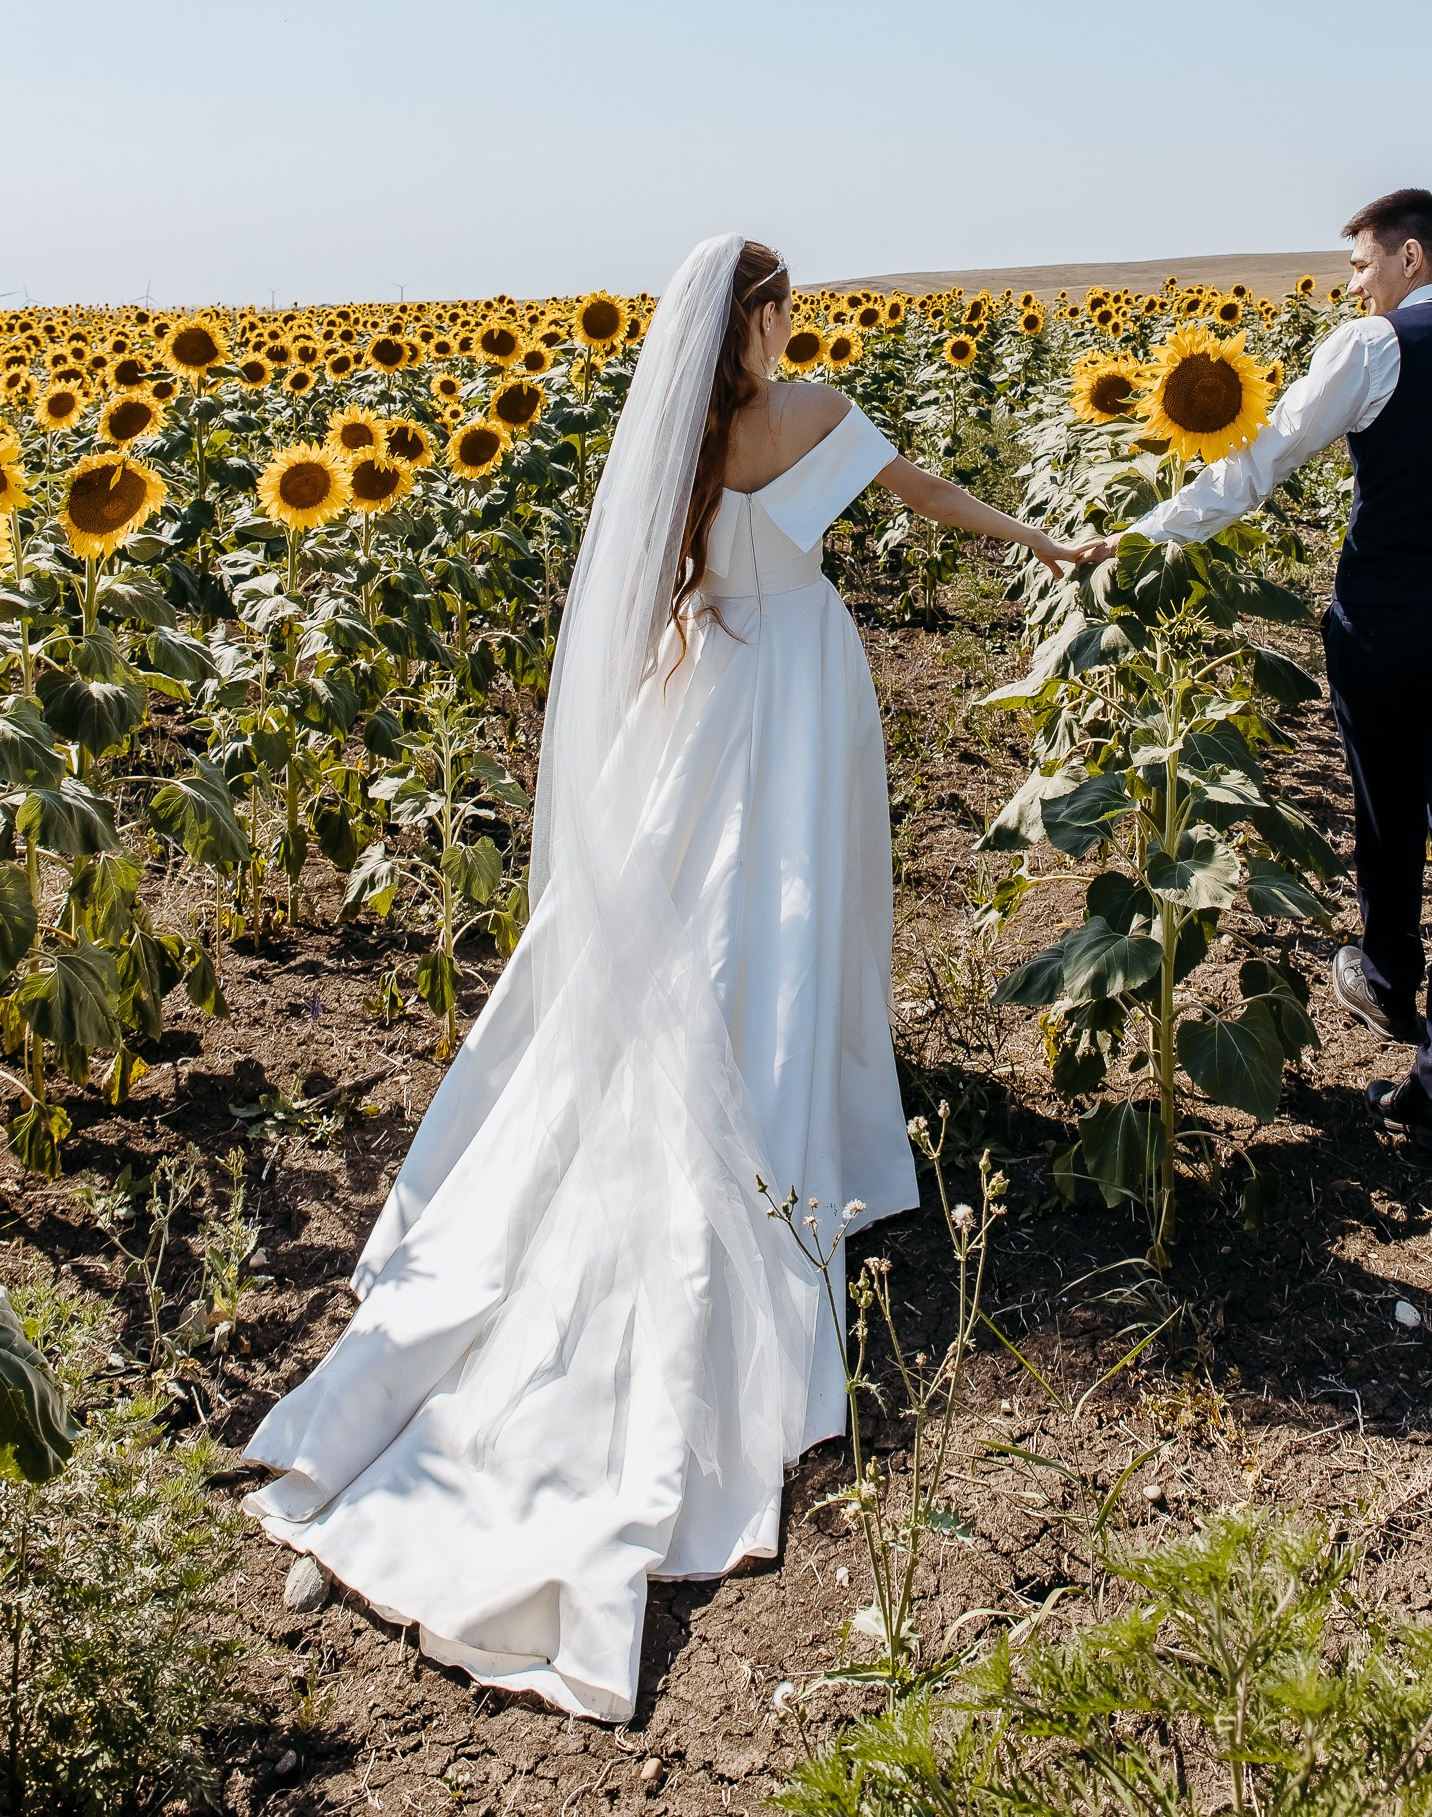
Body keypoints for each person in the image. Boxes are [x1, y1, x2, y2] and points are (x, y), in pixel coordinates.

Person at [244, 236, 1090, 1721]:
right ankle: (801, 1134)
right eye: (784, 311)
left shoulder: (680, 453)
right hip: (805, 691)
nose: (792, 330)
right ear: (761, 320)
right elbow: (924, 498)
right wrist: (1041, 545)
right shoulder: (814, 411)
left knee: (695, 933)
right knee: (794, 916)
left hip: (705, 702)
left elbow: (639, 616)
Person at [1078, 188, 1432, 1158]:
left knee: (1385, 810)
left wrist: (1139, 535)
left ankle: (1384, 982)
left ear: (1411, 257)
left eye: (1358, 266)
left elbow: (1258, 460)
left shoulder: (1373, 349)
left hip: (1386, 627)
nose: (1352, 285)